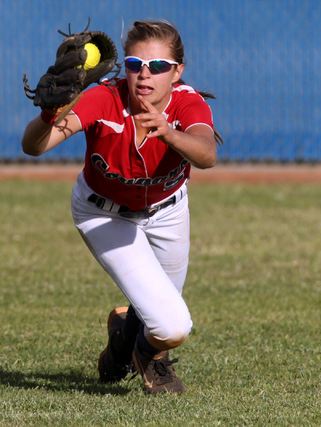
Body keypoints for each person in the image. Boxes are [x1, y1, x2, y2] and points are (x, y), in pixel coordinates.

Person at [21, 20, 221, 394]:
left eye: (158, 66)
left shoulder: (186, 103)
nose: (145, 75)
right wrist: (50, 114)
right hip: (103, 213)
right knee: (172, 326)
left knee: (154, 320)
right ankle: (146, 351)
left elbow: (207, 154)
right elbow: (34, 147)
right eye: (134, 64)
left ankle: (129, 347)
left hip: (168, 211)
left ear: (177, 71)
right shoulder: (104, 99)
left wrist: (169, 132)